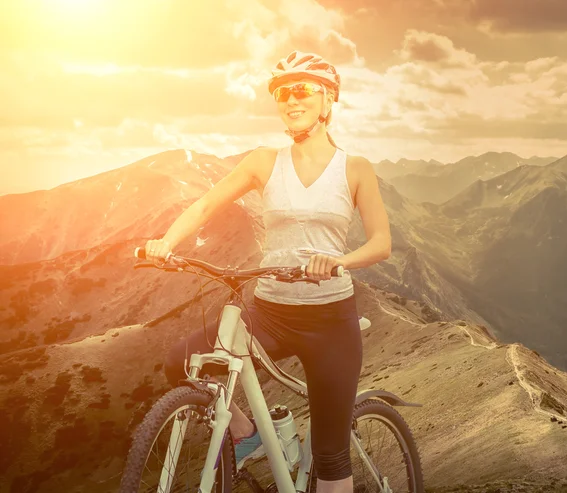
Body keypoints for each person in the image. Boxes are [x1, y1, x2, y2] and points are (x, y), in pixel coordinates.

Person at [145, 50, 391, 493]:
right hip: (271, 313)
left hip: (332, 321)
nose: (290, 100)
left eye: (301, 90)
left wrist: (339, 260)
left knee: (332, 458)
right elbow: (205, 204)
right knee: (179, 362)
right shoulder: (264, 161)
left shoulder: (355, 169)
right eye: (281, 94)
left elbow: (381, 243)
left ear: (328, 100)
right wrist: (166, 242)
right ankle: (244, 429)